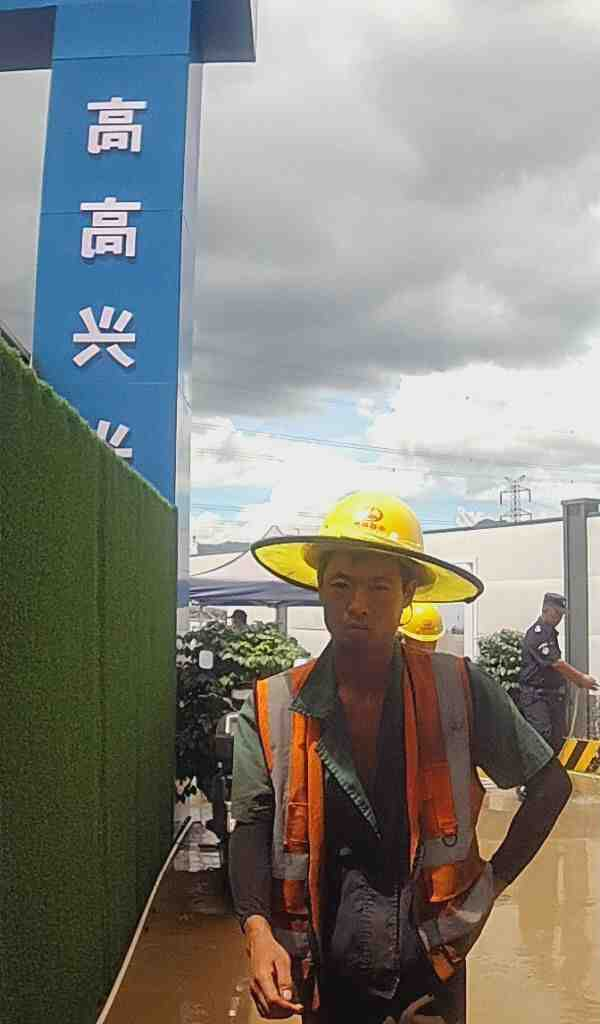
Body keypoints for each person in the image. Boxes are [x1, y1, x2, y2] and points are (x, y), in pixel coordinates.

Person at [229, 492, 572, 1024]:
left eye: (379, 586)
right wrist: (256, 930)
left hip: (430, 971)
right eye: (341, 584)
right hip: (323, 978)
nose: (357, 604)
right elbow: (251, 823)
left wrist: (491, 886)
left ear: (409, 592)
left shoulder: (459, 689)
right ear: (319, 587)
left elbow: (551, 786)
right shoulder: (273, 706)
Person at [519, 593, 598, 755]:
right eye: (556, 613)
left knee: (558, 740)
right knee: (543, 739)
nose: (559, 618)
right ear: (545, 609)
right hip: (536, 697)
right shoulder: (538, 633)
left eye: (562, 614)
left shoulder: (550, 633)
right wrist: (581, 679)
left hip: (552, 696)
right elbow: (557, 663)